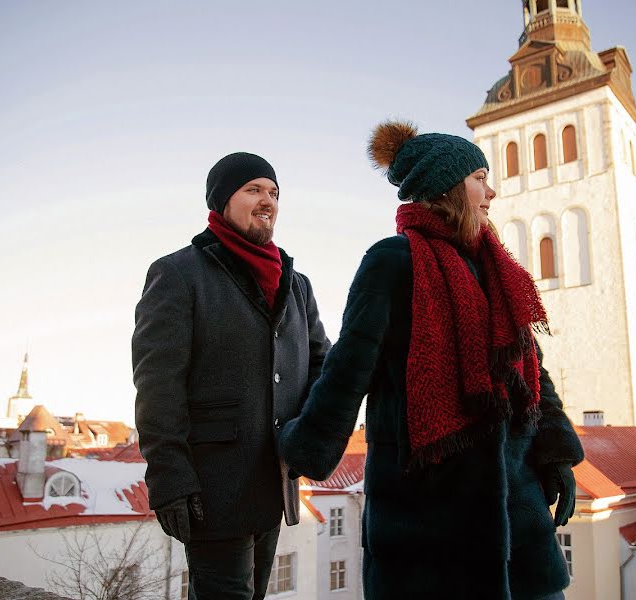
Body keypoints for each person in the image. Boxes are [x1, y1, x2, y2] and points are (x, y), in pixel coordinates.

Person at [279, 121, 583, 600]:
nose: (492, 192)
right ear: (447, 185)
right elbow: (348, 369)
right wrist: (302, 447)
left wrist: (557, 455)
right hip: (426, 532)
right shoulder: (392, 262)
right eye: (480, 178)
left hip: (519, 524)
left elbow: (531, 374)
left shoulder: (499, 270)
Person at [132, 152, 330, 600]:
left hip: (275, 482)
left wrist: (311, 434)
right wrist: (169, 478)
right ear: (222, 200)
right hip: (211, 487)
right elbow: (157, 383)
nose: (268, 201)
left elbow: (323, 363)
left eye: (275, 192)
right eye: (253, 189)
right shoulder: (179, 273)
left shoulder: (295, 283)